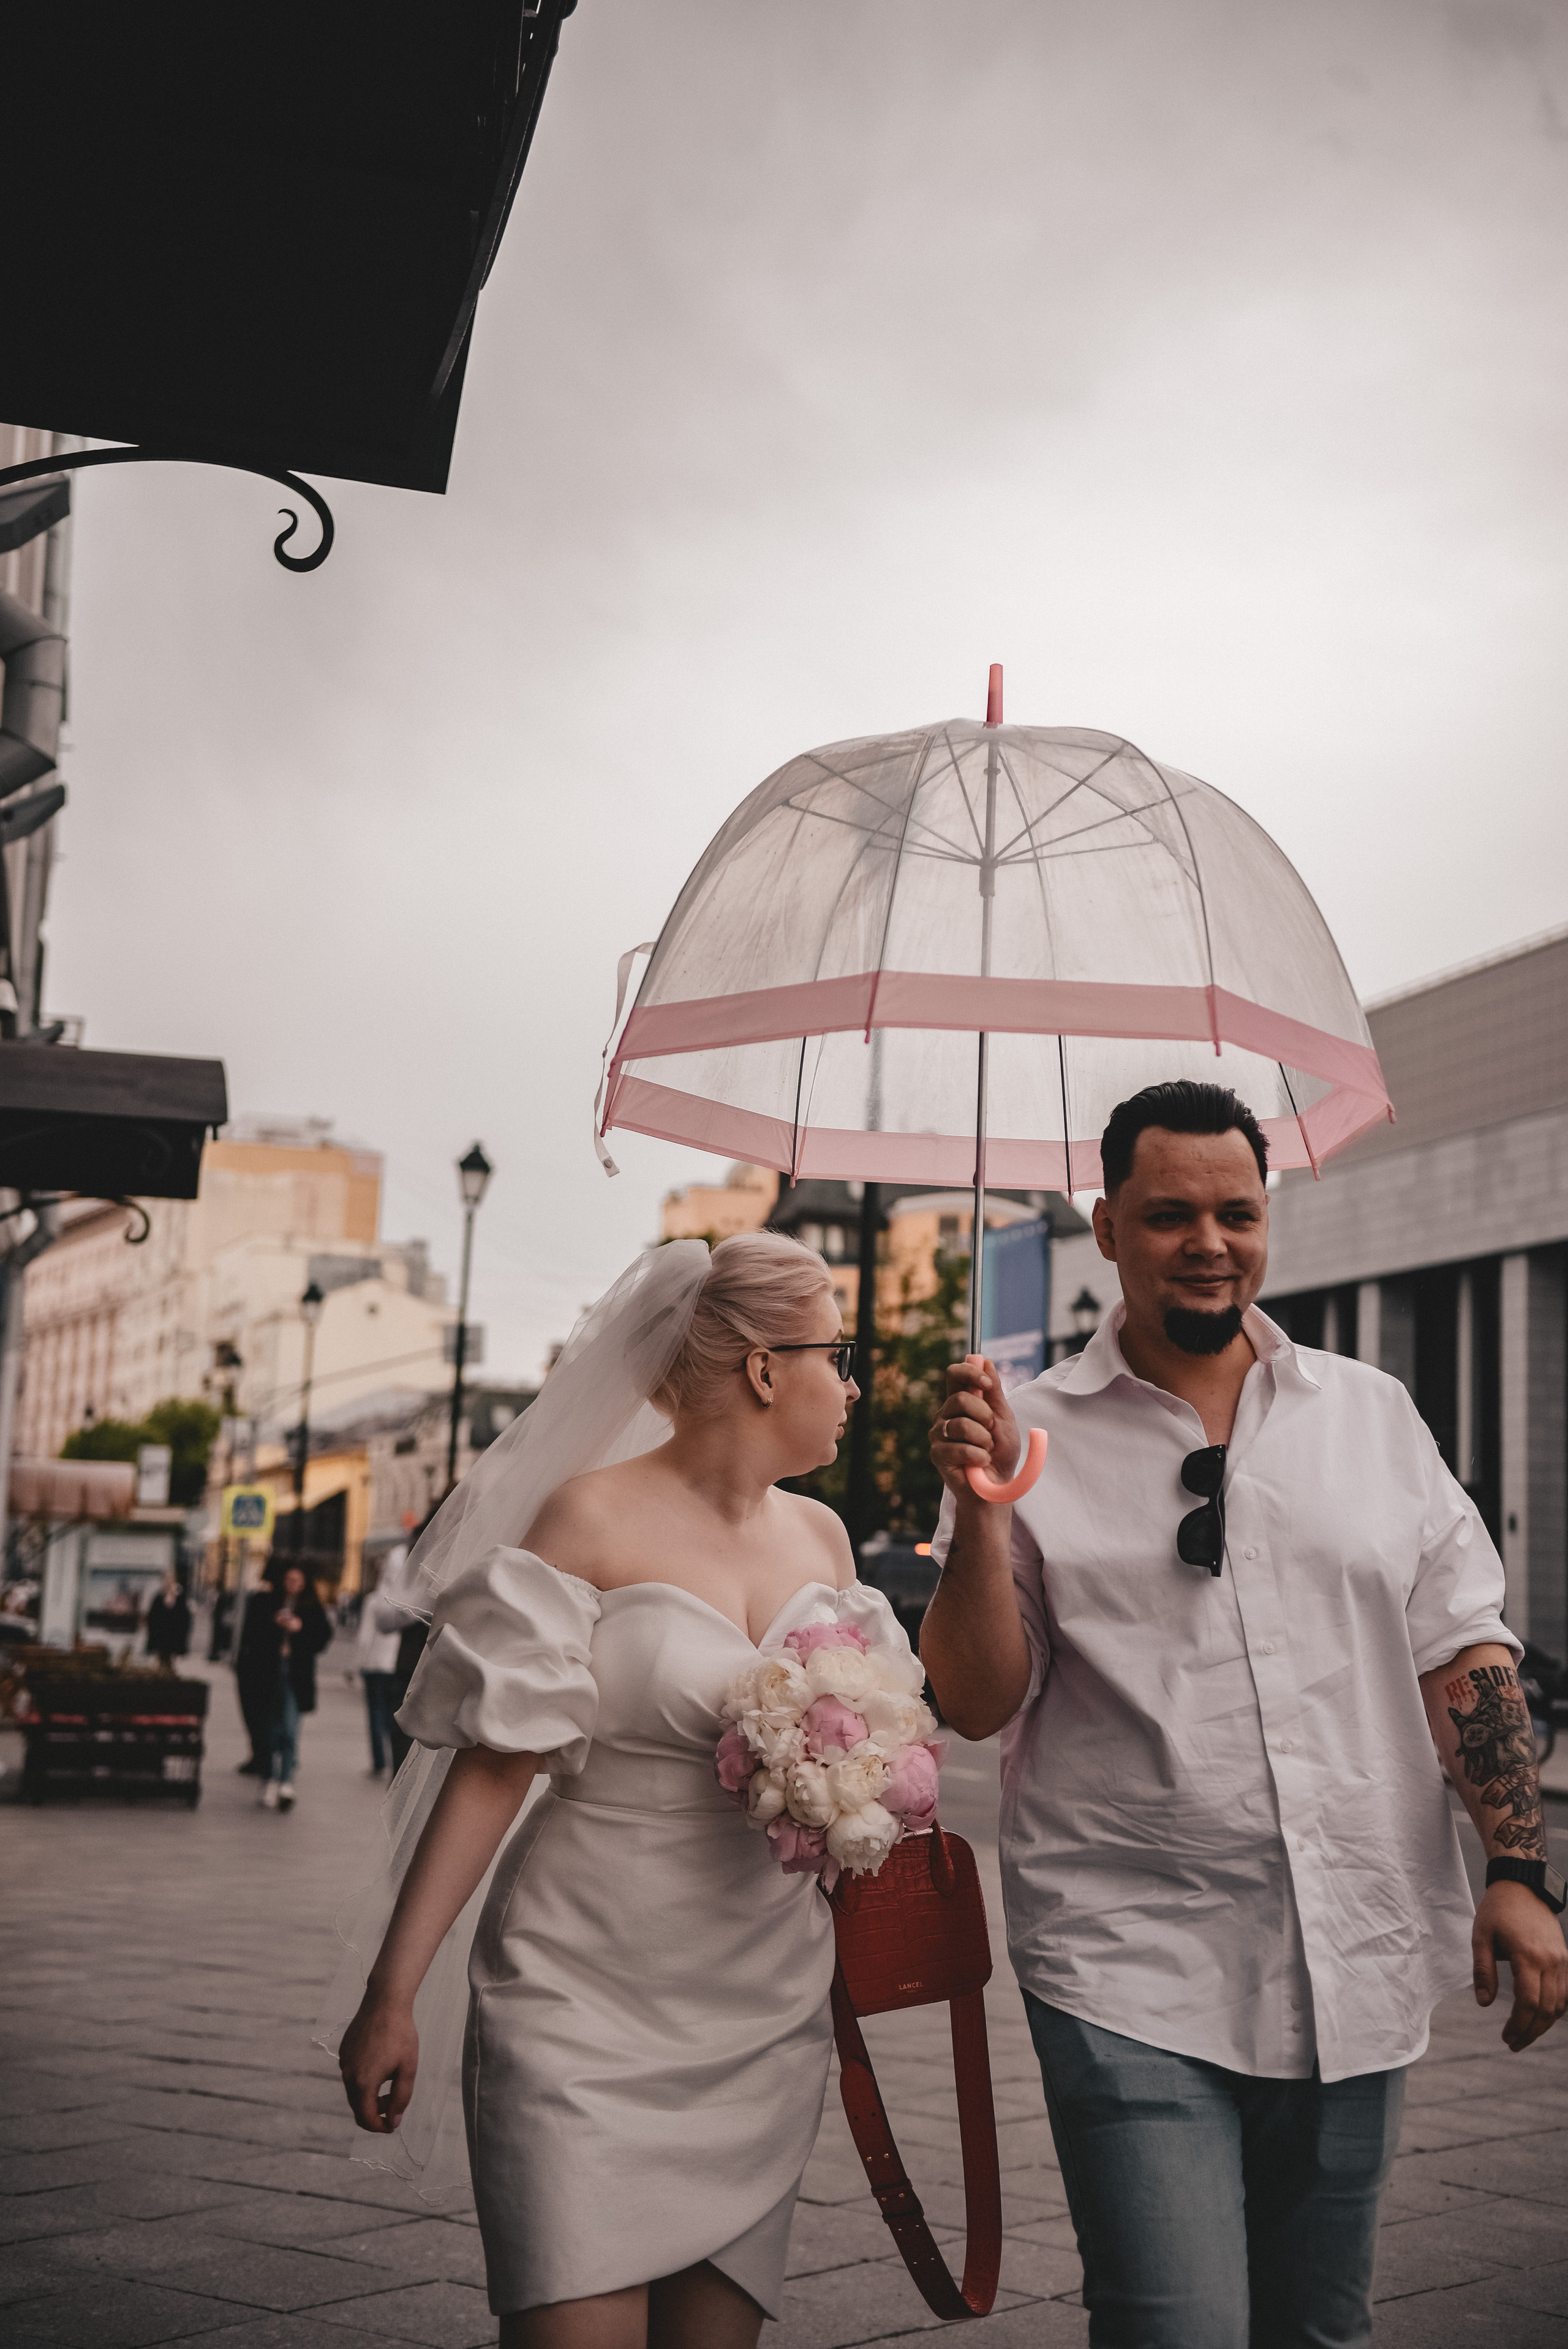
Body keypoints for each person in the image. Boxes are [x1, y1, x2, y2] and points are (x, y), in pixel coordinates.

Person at [921, 1078, 1567, 2349]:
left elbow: (1462, 1648)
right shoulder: (1024, 1429)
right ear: (1103, 1227)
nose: (1207, 1243)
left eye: (1235, 1212)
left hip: (1354, 1948)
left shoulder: (1367, 1415)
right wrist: (983, 1513)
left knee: (1317, 2330)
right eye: (1167, 1215)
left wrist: (1515, 1866)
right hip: (1126, 1962)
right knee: (1179, 2328)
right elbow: (976, 1701)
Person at [333, 1234, 910, 2348]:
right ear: (760, 1368)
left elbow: (872, 1761)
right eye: (838, 1352)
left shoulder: (825, 1537)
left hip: (763, 2007)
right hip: (581, 1998)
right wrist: (394, 1988)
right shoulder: (586, 1519)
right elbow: (495, 1765)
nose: (851, 1382)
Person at [238, 1560, 331, 1811]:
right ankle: (268, 1780)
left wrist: (301, 1628)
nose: (293, 1586)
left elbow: (323, 1637)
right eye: (289, 1580)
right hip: (267, 1675)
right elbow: (250, 1636)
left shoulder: (311, 1608)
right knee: (268, 1731)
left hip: (295, 1676)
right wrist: (273, 1623)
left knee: (290, 1729)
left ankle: (286, 1782)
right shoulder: (265, 1603)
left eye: (298, 1581)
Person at [356, 1547, 405, 1777]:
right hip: (393, 1665)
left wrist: (356, 1665)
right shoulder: (405, 1598)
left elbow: (365, 1635)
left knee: (375, 1714)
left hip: (374, 1665)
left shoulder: (373, 1600)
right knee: (391, 1715)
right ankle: (392, 1758)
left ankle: (379, 1760)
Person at [143, 1570, 191, 1673]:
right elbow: (153, 1617)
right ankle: (164, 1677)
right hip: (160, 1636)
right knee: (162, 1660)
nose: (168, 1582)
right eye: (166, 1580)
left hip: (173, 1636)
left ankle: (168, 1677)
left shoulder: (179, 1598)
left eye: (170, 1580)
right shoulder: (158, 1597)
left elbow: (184, 1618)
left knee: (169, 1661)